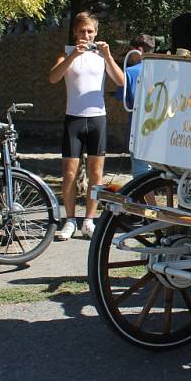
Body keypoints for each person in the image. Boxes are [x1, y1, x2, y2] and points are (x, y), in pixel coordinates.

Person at [48, 12, 125, 239]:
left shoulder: (101, 57)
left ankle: (89, 220)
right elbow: (53, 78)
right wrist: (73, 56)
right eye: (82, 31)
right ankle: (70, 220)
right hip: (74, 119)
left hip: (97, 118)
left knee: (96, 173)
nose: (86, 35)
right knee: (69, 172)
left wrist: (108, 56)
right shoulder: (66, 54)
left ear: (96, 32)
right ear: (75, 32)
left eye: (90, 31)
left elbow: (121, 81)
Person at [115, 34, 156, 177]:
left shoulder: (130, 72)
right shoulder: (163, 69)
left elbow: (126, 100)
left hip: (139, 126)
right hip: (160, 124)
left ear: (138, 50)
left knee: (140, 172)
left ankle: (149, 201)